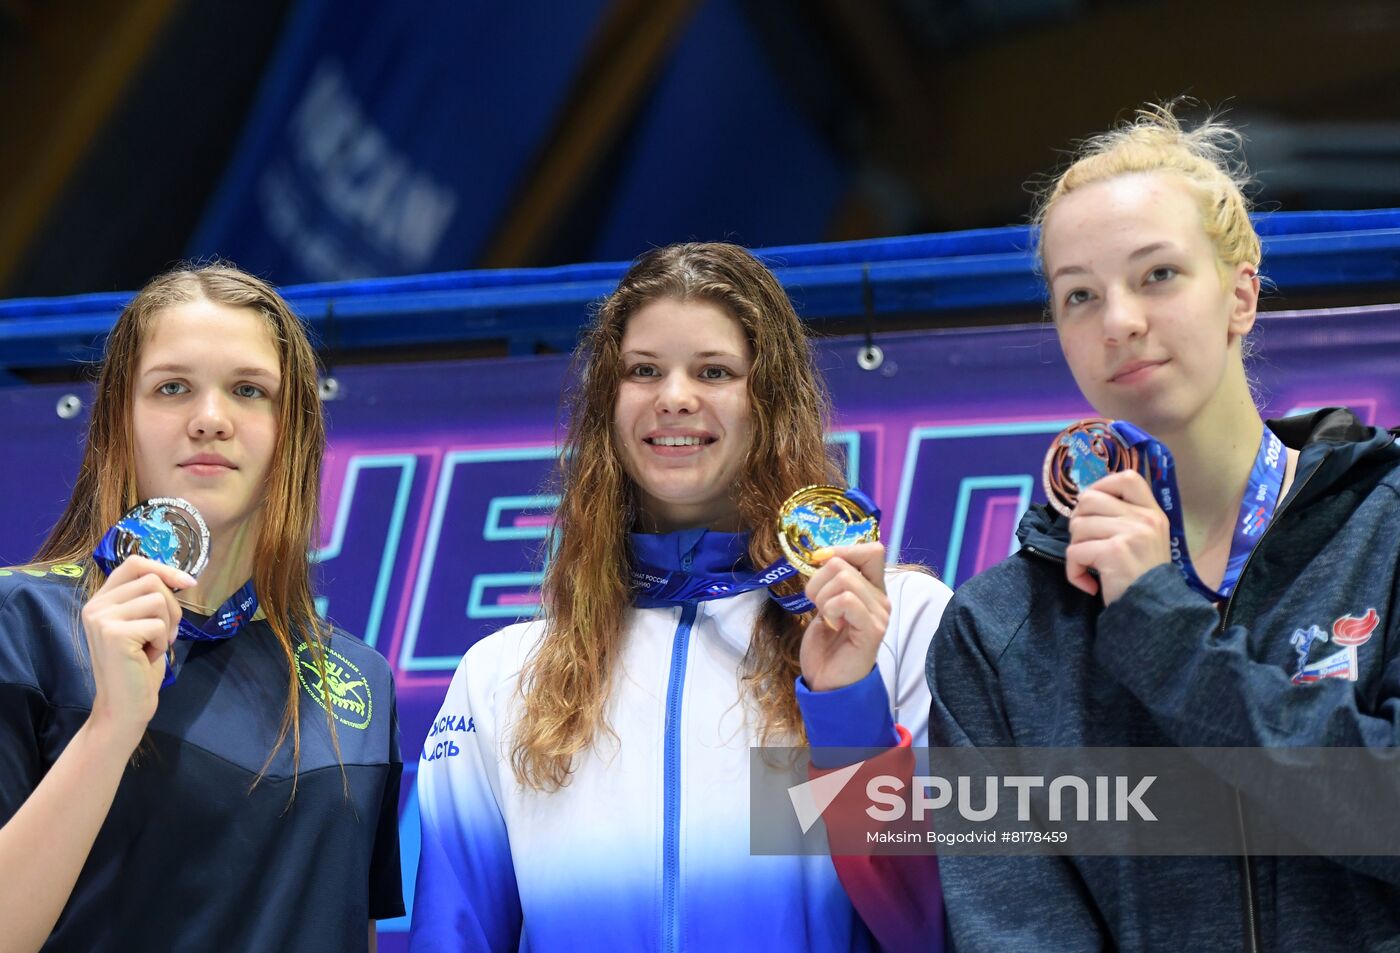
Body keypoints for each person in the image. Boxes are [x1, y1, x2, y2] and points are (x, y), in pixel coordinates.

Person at [927, 102, 1400, 950]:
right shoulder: (997, 632)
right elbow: (1016, 928)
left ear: (1241, 293)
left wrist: (1159, 621)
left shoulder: (1386, 528)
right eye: (1080, 295)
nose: (1120, 322)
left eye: (1157, 275)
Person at [410, 242, 951, 952]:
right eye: (644, 370)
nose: (674, 396)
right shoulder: (501, 676)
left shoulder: (897, 623)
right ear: (609, 403)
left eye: (714, 371)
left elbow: (934, 925)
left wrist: (848, 704)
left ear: (772, 404)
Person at [0, 264, 403, 953]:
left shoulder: (359, 680)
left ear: (293, 430)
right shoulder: (23, 623)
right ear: (119, 419)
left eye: (248, 390)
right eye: (172, 387)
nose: (210, 419)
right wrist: (111, 726)